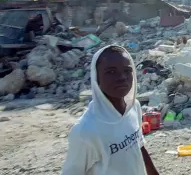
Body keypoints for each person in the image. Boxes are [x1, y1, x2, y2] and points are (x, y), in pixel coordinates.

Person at [62, 45, 159, 175]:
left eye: (127, 70)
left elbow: (139, 146)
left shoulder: (133, 108)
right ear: (97, 78)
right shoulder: (85, 130)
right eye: (111, 72)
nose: (122, 77)